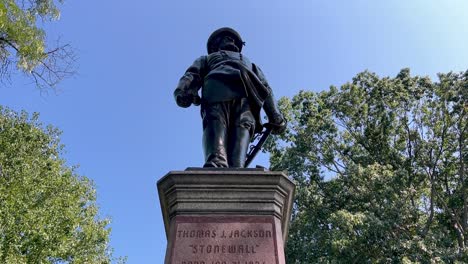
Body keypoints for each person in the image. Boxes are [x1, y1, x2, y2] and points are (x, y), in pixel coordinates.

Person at [174, 27, 286, 168]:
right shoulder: (206, 59)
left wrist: (274, 113)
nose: (231, 40)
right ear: (216, 45)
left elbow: (265, 88)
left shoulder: (251, 64)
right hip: (217, 89)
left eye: (233, 39)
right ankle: (216, 162)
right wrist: (182, 90)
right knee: (216, 123)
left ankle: (237, 168)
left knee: (243, 127)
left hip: (247, 96)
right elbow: (192, 74)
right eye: (226, 38)